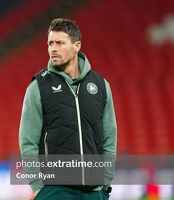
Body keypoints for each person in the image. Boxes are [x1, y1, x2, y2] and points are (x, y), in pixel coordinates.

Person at [19, 18, 117, 200]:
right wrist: (38, 187)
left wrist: (105, 182)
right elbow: (27, 142)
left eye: (59, 43)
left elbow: (109, 137)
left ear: (76, 46)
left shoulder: (101, 85)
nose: (53, 48)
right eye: (50, 43)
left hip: (95, 192)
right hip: (55, 190)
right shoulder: (38, 87)